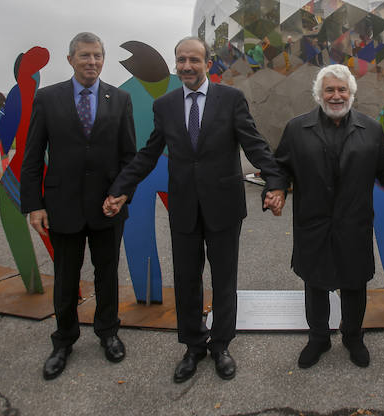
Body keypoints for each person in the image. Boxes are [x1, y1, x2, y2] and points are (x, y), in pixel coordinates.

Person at [104, 37, 284, 384]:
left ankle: (221, 346)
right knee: (187, 281)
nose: (187, 66)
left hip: (224, 208)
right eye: (181, 60)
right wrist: (121, 189)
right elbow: (149, 153)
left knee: (224, 281)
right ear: (176, 64)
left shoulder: (231, 100)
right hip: (184, 208)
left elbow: (254, 143)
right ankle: (192, 346)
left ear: (208, 63)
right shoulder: (166, 105)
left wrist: (275, 181)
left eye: (194, 60)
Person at [268, 64, 384, 369]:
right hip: (313, 223)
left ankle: (353, 337)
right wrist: (276, 188)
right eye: (329, 89)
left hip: (354, 224)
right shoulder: (296, 128)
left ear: (352, 94)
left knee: (355, 285)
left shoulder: (371, 129)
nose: (336, 95)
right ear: (319, 94)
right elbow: (280, 166)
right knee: (314, 284)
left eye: (342, 89)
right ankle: (318, 338)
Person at [21, 32, 136, 380]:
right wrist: (34, 205)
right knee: (66, 277)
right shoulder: (47, 99)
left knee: (107, 274)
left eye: (98, 56)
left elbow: (129, 156)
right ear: (70, 59)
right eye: (85, 56)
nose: (92, 62)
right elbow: (31, 159)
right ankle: (64, 340)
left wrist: (121, 193)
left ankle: (108, 332)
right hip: (63, 206)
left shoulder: (120, 99)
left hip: (107, 207)